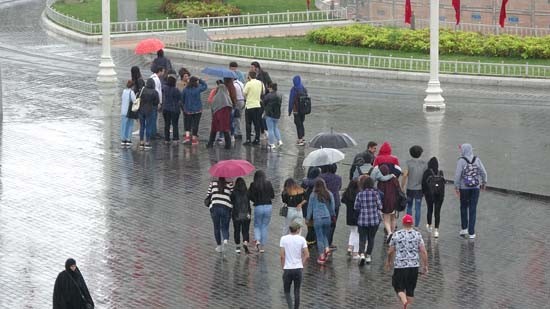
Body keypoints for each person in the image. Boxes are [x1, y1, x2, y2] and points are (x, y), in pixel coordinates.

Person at [385, 214, 428, 309]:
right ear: (412, 223)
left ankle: (405, 302)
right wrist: (425, 266)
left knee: (398, 287)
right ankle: (408, 306)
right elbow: (423, 252)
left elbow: (390, 251)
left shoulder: (397, 234)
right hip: (414, 267)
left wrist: (389, 262)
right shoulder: (417, 235)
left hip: (400, 266)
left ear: (403, 223)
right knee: (410, 290)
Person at [454, 143, 487, 239]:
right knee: (473, 209)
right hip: (475, 188)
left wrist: (456, 186)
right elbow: (483, 172)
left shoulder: (461, 161)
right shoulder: (477, 159)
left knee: (463, 207)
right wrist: (484, 182)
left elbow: (457, 175)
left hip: (464, 188)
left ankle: (464, 228)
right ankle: (472, 232)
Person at [280, 219, 309, 309]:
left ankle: (290, 307)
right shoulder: (302, 239)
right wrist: (301, 265)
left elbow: (282, 256)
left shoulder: (283, 239)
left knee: (287, 291)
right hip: (298, 268)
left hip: (287, 269)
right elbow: (307, 255)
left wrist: (283, 267)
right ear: (297, 230)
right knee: (297, 291)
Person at [305, 178, 335, 265]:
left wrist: (307, 218)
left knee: (319, 237)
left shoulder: (313, 195)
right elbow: (332, 207)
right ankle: (327, 248)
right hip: (327, 218)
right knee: (325, 235)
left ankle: (322, 256)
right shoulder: (329, 194)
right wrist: (333, 215)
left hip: (317, 218)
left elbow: (310, 208)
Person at [354, 176, 382, 265]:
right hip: (374, 220)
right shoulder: (375, 194)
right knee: (371, 238)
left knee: (362, 238)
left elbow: (356, 207)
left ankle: (362, 254)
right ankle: (368, 256)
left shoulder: (360, 194)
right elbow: (380, 206)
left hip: (362, 220)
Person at [248, 170, 275, 253]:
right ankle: (262, 247)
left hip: (258, 206)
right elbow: (273, 195)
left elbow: (249, 196)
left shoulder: (253, 184)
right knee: (264, 226)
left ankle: (257, 240)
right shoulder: (268, 183)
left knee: (257, 225)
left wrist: (255, 200)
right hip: (268, 206)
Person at [401, 145, 427, 228]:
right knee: (418, 208)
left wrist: (402, 186)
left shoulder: (408, 163)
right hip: (420, 189)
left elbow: (405, 175)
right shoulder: (424, 163)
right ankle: (417, 226)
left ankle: (409, 224)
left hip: (410, 188)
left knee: (409, 206)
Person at [206, 177, 234, 252]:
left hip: (215, 208)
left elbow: (208, 195)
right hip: (226, 207)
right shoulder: (230, 184)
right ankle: (225, 239)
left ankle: (219, 246)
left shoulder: (212, 183)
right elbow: (232, 196)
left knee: (216, 227)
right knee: (225, 227)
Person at [319, 164, 342, 250]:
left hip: (323, 201)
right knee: (333, 223)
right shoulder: (338, 178)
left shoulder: (321, 177)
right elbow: (339, 188)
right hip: (335, 202)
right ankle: (328, 242)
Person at [422, 157, 445, 238]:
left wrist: (424, 193)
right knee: (437, 212)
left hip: (429, 195)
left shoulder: (427, 172)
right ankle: (436, 231)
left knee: (430, 209)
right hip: (440, 195)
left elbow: (423, 184)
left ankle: (429, 226)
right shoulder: (441, 172)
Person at [181, 76, 208, 145]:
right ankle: (194, 140)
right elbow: (205, 86)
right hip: (197, 110)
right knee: (196, 124)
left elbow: (182, 99)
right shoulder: (198, 88)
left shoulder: (185, 89)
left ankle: (187, 138)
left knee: (188, 124)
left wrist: (184, 106)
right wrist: (200, 79)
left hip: (188, 110)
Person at [206, 81, 233, 149]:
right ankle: (228, 144)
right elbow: (230, 106)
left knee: (214, 130)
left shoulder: (215, 97)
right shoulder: (227, 97)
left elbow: (212, 106)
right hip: (225, 116)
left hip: (216, 116)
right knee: (225, 129)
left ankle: (210, 143)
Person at [377, 164, 400, 242]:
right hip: (394, 201)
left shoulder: (380, 181)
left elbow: (380, 193)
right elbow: (398, 189)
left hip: (386, 202)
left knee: (386, 220)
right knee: (393, 218)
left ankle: (389, 233)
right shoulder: (394, 179)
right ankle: (393, 234)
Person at [341, 178, 361, 259]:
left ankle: (349, 248)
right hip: (357, 216)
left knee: (352, 232)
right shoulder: (359, 194)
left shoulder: (347, 193)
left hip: (349, 216)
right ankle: (355, 252)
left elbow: (343, 200)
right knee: (357, 233)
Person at [243, 71, 264, 146]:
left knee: (248, 123)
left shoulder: (248, 83)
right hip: (257, 105)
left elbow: (244, 93)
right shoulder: (260, 83)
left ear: (249, 76)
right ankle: (257, 139)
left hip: (249, 106)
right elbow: (263, 92)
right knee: (257, 123)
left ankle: (248, 140)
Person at [137, 78, 160, 150]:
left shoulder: (142, 90)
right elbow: (156, 102)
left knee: (142, 126)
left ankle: (141, 142)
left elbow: (138, 98)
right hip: (150, 110)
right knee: (148, 126)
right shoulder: (155, 92)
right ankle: (147, 142)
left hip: (141, 110)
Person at [231, 177, 252, 254]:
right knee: (245, 230)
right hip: (246, 214)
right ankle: (245, 242)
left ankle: (237, 248)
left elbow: (231, 201)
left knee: (237, 230)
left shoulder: (234, 192)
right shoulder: (247, 192)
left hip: (236, 215)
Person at [301, 167, 320, 246]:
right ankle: (311, 239)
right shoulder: (319, 183)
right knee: (314, 223)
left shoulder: (304, 182)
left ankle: (310, 239)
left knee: (309, 223)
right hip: (315, 206)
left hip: (306, 205)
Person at [162, 73, 181, 144]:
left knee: (167, 124)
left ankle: (166, 139)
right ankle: (175, 139)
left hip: (166, 108)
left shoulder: (164, 88)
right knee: (175, 124)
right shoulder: (176, 90)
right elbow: (180, 97)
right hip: (174, 109)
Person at [288, 75, 308, 146]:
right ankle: (302, 138)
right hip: (303, 110)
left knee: (298, 124)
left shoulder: (294, 89)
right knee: (301, 123)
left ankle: (300, 139)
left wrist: (289, 111)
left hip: (296, 110)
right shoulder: (303, 88)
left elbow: (291, 101)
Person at [262, 83, 283, 149]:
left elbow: (264, 102)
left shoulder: (268, 95)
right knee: (275, 128)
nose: (268, 89)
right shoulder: (280, 95)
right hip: (277, 115)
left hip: (269, 114)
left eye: (269, 88)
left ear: (271, 88)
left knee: (270, 129)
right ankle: (279, 141)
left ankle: (271, 144)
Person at [120, 80, 137, 148]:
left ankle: (123, 139)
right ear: (132, 86)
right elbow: (134, 101)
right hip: (129, 112)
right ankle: (128, 139)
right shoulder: (131, 92)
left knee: (124, 125)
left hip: (123, 111)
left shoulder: (124, 91)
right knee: (130, 125)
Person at [150, 66, 165, 139]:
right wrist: (159, 102)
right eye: (163, 71)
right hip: (155, 102)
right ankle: (153, 133)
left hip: (153, 101)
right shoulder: (156, 79)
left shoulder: (153, 78)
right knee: (154, 117)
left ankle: (154, 132)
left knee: (154, 117)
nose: (164, 72)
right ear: (160, 71)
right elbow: (157, 92)